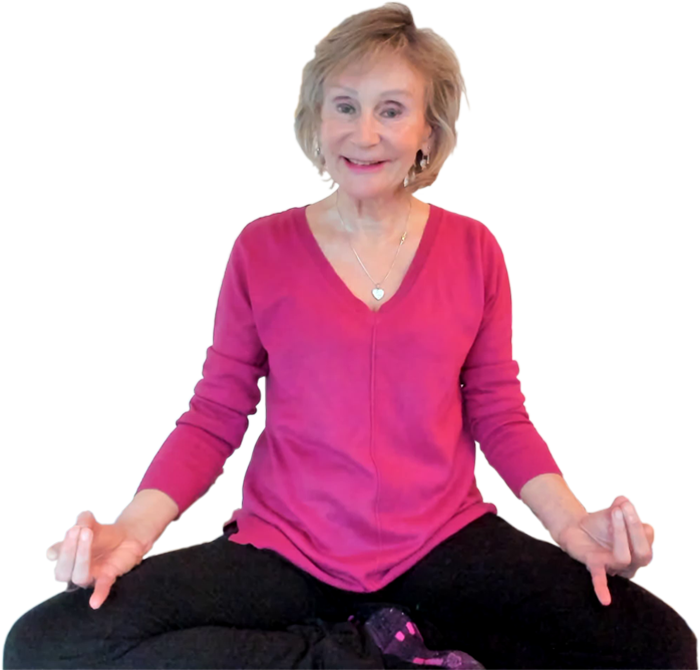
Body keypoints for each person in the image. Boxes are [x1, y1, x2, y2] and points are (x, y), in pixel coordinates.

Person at [4, 4, 697, 670]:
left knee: (660, 646)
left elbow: (498, 412)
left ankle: (388, 636)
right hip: (286, 550)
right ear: (318, 121)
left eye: (391, 110)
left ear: (428, 132)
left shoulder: (474, 250)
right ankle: (359, 653)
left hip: (443, 545)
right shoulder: (262, 249)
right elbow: (215, 414)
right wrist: (131, 531)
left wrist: (571, 526)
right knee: (45, 644)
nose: (364, 134)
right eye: (344, 106)